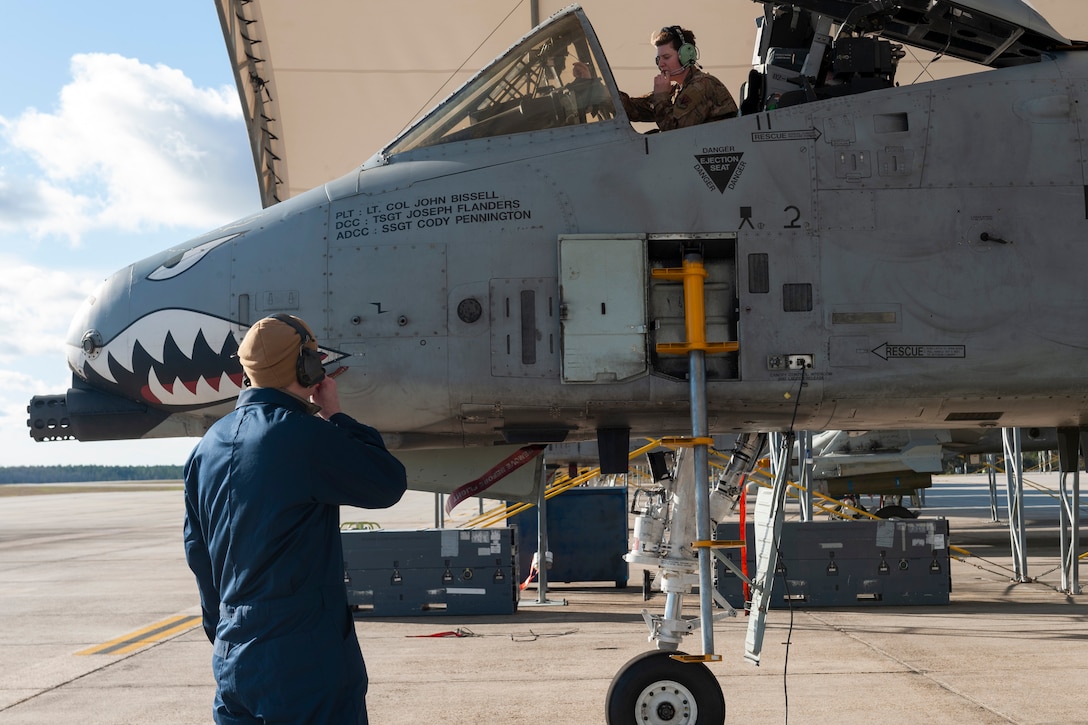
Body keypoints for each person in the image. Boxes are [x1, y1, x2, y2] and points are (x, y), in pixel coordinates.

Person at [183, 314, 408, 724]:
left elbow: (199, 557)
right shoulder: (303, 436)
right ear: (307, 366)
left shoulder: (206, 448)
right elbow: (387, 482)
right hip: (303, 662)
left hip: (232, 659)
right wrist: (336, 417)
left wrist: (228, 637)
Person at [620, 25, 738, 131]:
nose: (660, 64)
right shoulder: (677, 89)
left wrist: (661, 97)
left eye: (666, 57)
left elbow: (674, 131)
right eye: (658, 59)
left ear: (686, 56)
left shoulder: (701, 86)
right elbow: (636, 110)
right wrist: (606, 98)